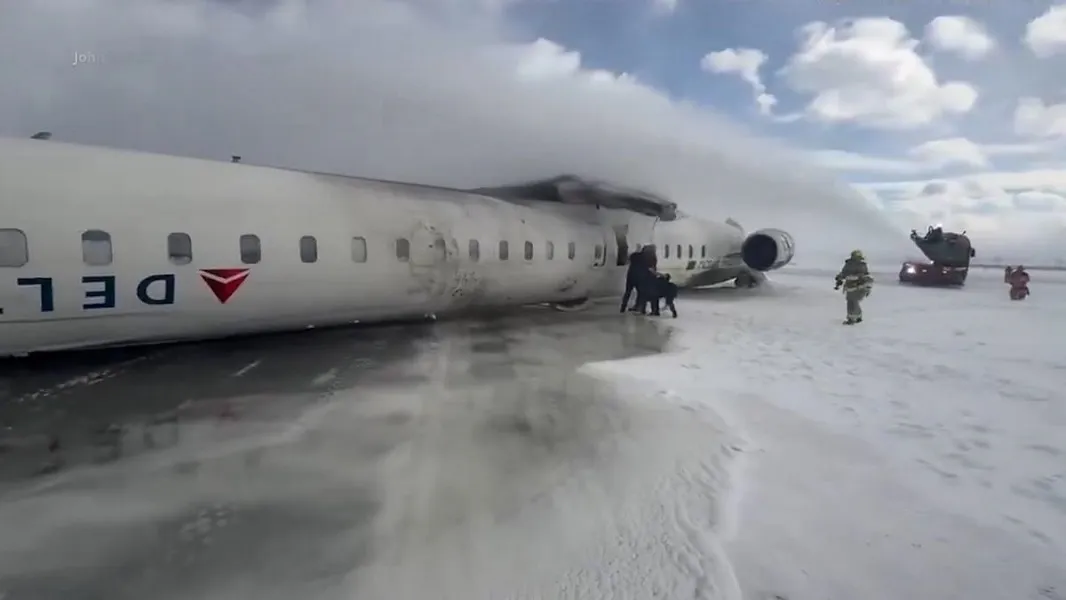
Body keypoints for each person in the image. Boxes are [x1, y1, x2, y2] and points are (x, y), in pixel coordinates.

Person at [834, 249, 874, 325]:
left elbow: (865, 276)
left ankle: (852, 318)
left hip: (859, 286)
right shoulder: (850, 264)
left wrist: (867, 286)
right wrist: (839, 279)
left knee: (853, 302)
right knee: (853, 301)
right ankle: (857, 316)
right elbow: (844, 273)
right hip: (851, 286)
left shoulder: (860, 265)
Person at [620, 248, 645, 313]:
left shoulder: (633, 255)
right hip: (639, 277)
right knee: (640, 292)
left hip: (630, 275)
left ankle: (623, 307)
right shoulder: (644, 257)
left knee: (627, 292)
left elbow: (627, 261)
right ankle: (638, 306)